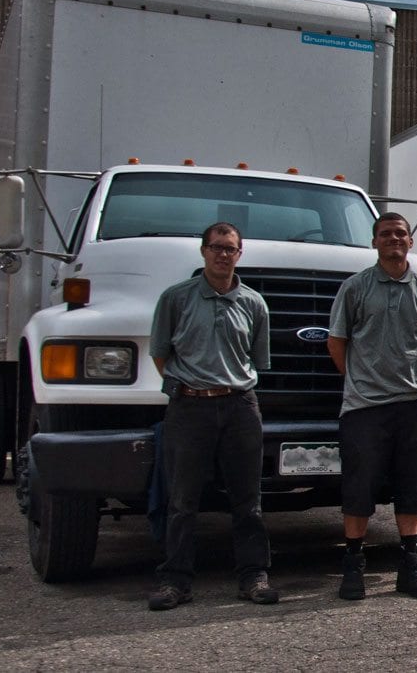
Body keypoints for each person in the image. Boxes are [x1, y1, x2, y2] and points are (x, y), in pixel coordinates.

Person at [147, 222, 277, 610]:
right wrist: (187, 385)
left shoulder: (254, 303)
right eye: (216, 247)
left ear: (240, 254)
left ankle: (254, 576)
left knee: (248, 501)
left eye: (230, 249)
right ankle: (175, 581)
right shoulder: (176, 298)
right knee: (182, 500)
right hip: (189, 407)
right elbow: (160, 353)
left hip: (240, 405)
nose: (223, 254)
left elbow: (258, 358)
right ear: (203, 251)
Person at [328, 213, 417, 599]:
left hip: (412, 402)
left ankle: (410, 565)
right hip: (364, 405)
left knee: (413, 484)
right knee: (359, 485)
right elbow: (337, 342)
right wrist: (361, 380)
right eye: (386, 234)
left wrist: (409, 379)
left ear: (411, 241)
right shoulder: (356, 287)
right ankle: (353, 565)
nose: (393, 239)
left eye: (400, 233)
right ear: (375, 242)